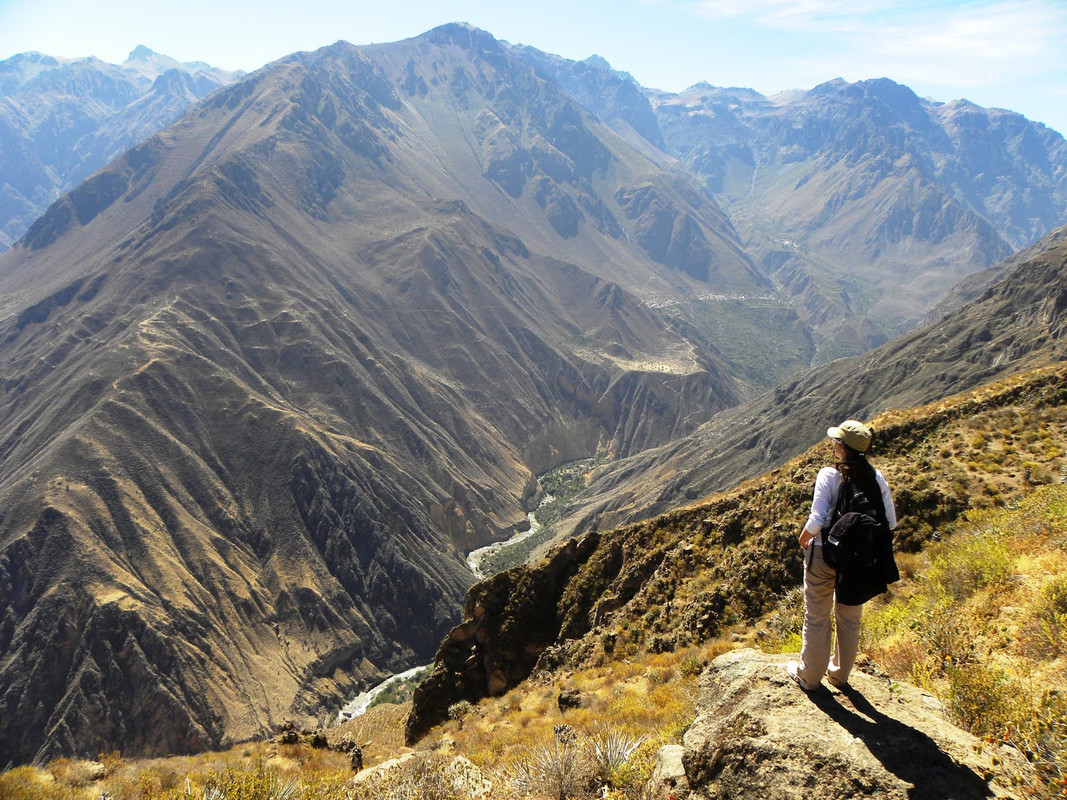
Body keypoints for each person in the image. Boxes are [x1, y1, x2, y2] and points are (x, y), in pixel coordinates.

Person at [787, 419, 897, 691]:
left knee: (817, 616)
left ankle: (810, 677)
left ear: (842, 447)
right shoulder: (876, 478)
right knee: (849, 618)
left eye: (836, 441)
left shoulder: (828, 475)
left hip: (824, 554)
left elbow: (816, 519)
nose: (833, 444)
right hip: (857, 560)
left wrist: (803, 541)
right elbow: (890, 522)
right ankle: (839, 675)